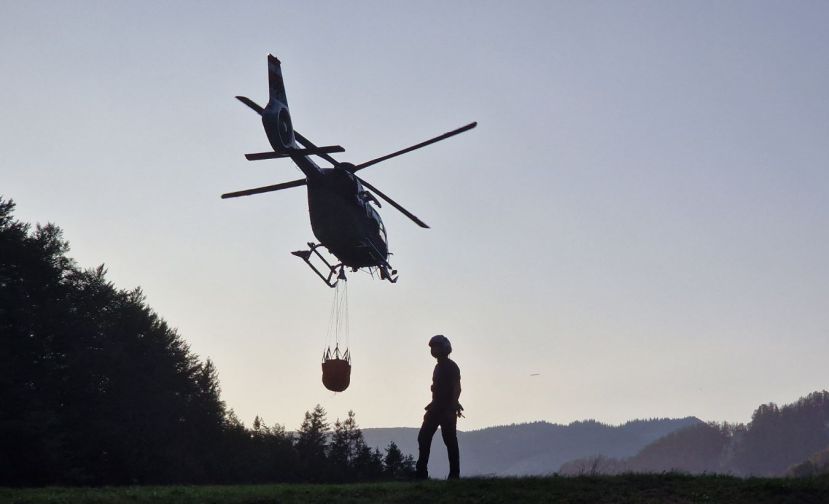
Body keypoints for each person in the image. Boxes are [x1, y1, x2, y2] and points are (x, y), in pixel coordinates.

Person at [416, 334, 463, 480]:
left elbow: (457, 387)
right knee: (424, 437)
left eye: (436, 347)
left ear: (444, 348)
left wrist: (453, 405)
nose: (434, 350)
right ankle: (421, 473)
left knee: (449, 441)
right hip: (436, 407)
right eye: (433, 347)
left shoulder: (451, 366)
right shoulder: (438, 366)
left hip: (446, 409)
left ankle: (454, 474)